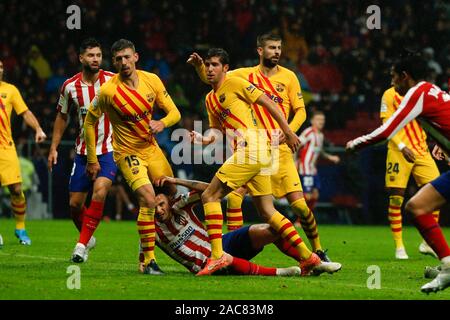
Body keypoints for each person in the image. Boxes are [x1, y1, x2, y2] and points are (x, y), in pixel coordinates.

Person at [189, 48, 341, 276]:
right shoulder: (210, 98)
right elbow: (216, 129)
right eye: (207, 65)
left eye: (215, 65)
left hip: (252, 148)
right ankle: (309, 258)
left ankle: (218, 256)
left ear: (226, 68)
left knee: (210, 196)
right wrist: (205, 139)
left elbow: (269, 102)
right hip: (255, 153)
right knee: (268, 212)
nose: (210, 69)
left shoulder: (236, 83)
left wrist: (287, 131)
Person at [346, 51, 450, 293]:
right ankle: (447, 266)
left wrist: (356, 144)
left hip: (416, 150)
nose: (391, 82)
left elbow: (386, 131)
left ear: (405, 76)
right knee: (416, 207)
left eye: (394, 77)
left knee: (416, 207)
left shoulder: (417, 93)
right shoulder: (432, 91)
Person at [84, 39, 181, 275]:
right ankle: (149, 261)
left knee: (171, 193)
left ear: (136, 57)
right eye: (118, 59)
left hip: (151, 149)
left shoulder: (152, 81)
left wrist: (162, 122)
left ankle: (145, 244)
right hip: (127, 153)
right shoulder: (107, 91)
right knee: (148, 199)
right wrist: (91, 158)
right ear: (113, 62)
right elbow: (89, 121)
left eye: (127, 57)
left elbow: (175, 113)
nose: (123, 62)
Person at [146, 176, 306, 276]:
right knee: (226, 259)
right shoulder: (151, 230)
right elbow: (144, 261)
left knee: (273, 229)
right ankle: (279, 272)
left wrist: (176, 180)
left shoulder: (179, 205)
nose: (159, 210)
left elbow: (211, 189)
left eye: (161, 204)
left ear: (169, 201)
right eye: (154, 208)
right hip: (206, 265)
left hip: (223, 242)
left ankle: (307, 262)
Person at [47, 38, 116, 263]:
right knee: (74, 204)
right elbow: (62, 116)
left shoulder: (113, 81)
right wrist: (54, 147)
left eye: (98, 55)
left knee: (100, 190)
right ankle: (88, 237)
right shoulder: (70, 86)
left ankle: (80, 245)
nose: (96, 59)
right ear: (81, 58)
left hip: (109, 149)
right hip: (83, 151)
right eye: (91, 55)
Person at [379, 85, 440, 260]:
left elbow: (432, 120)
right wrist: (401, 145)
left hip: (421, 150)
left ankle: (427, 243)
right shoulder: (389, 94)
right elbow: (386, 123)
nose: (393, 79)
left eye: (394, 75)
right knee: (397, 198)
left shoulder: (422, 93)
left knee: (437, 193)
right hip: (398, 150)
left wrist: (439, 143)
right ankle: (399, 246)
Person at [0, 60, 47, 245]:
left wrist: (38, 129)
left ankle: (20, 227)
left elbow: (25, 112)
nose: (0, 70)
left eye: (2, 67)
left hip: (6, 147)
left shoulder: (10, 90)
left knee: (17, 189)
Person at [295, 111, 340, 220]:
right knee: (307, 196)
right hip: (305, 169)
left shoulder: (320, 135)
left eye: (323, 120)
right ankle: (300, 220)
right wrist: (293, 161)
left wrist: (330, 157)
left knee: (315, 195)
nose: (321, 122)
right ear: (312, 121)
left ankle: (307, 218)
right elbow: (296, 145)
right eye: (318, 119)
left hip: (313, 170)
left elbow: (319, 151)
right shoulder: (308, 132)